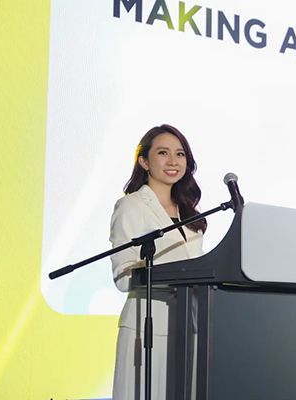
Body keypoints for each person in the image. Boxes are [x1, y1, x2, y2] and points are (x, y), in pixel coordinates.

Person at [109, 124, 206, 399]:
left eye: (180, 154)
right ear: (144, 161)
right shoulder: (131, 205)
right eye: (163, 153)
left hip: (190, 327)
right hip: (147, 329)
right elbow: (122, 276)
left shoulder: (190, 212)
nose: (173, 161)